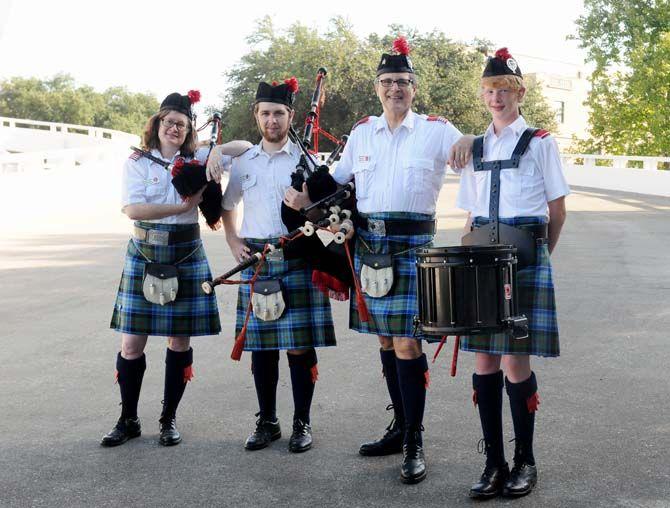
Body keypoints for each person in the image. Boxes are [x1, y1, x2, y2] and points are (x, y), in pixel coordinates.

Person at [331, 37, 472, 484]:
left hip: (414, 249)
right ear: (378, 87)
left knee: (409, 344)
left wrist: (471, 137)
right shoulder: (361, 132)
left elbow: (475, 165)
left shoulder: (437, 130)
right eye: (388, 81)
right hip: (372, 249)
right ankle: (397, 427)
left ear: (414, 88)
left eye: (403, 82)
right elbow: (335, 182)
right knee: (386, 342)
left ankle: (414, 438)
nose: (395, 89)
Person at [103, 90, 250, 447]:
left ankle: (168, 420)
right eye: (169, 122)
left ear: (189, 131)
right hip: (145, 250)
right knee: (132, 343)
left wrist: (216, 150)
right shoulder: (137, 161)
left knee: (179, 342)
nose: (174, 128)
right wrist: (184, 205)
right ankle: (128, 418)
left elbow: (246, 147)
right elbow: (133, 209)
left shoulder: (198, 157)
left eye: (181, 125)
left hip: (186, 251)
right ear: (158, 123)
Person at [456, 48, 569, 498]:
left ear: (519, 92)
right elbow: (469, 215)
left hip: (525, 253)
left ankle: (525, 459)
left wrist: (541, 255)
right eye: (489, 91)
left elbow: (557, 211)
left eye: (503, 90)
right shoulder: (475, 147)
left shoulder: (541, 142)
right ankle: (493, 463)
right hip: (481, 254)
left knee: (514, 362)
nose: (496, 98)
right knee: (484, 360)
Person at [218, 78, 336, 453]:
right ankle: (267, 420)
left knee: (299, 347)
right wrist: (233, 240)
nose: (272, 119)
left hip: (297, 255)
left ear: (291, 116)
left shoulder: (309, 162)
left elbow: (328, 215)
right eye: (266, 113)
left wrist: (306, 205)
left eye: (279, 113)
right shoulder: (244, 162)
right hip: (257, 258)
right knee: (262, 347)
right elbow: (226, 205)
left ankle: (302, 422)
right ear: (256, 116)